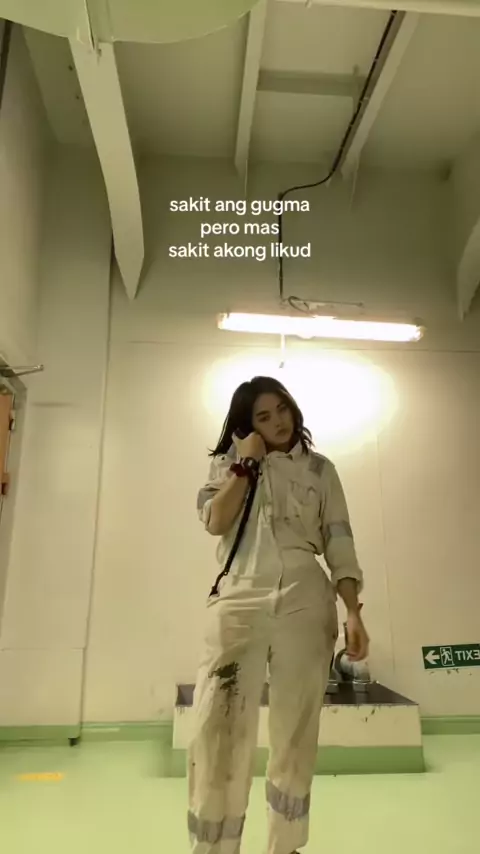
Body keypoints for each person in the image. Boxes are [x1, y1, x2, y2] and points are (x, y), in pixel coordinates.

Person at [189, 376, 369, 854]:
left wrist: (353, 611)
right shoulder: (227, 464)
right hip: (239, 596)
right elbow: (215, 522)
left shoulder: (321, 470)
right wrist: (245, 463)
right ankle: (213, 847)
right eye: (264, 416)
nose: (279, 421)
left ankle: (285, 846)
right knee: (216, 728)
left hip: (306, 600)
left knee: (295, 732)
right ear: (248, 425)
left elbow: (340, 542)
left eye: (282, 409)